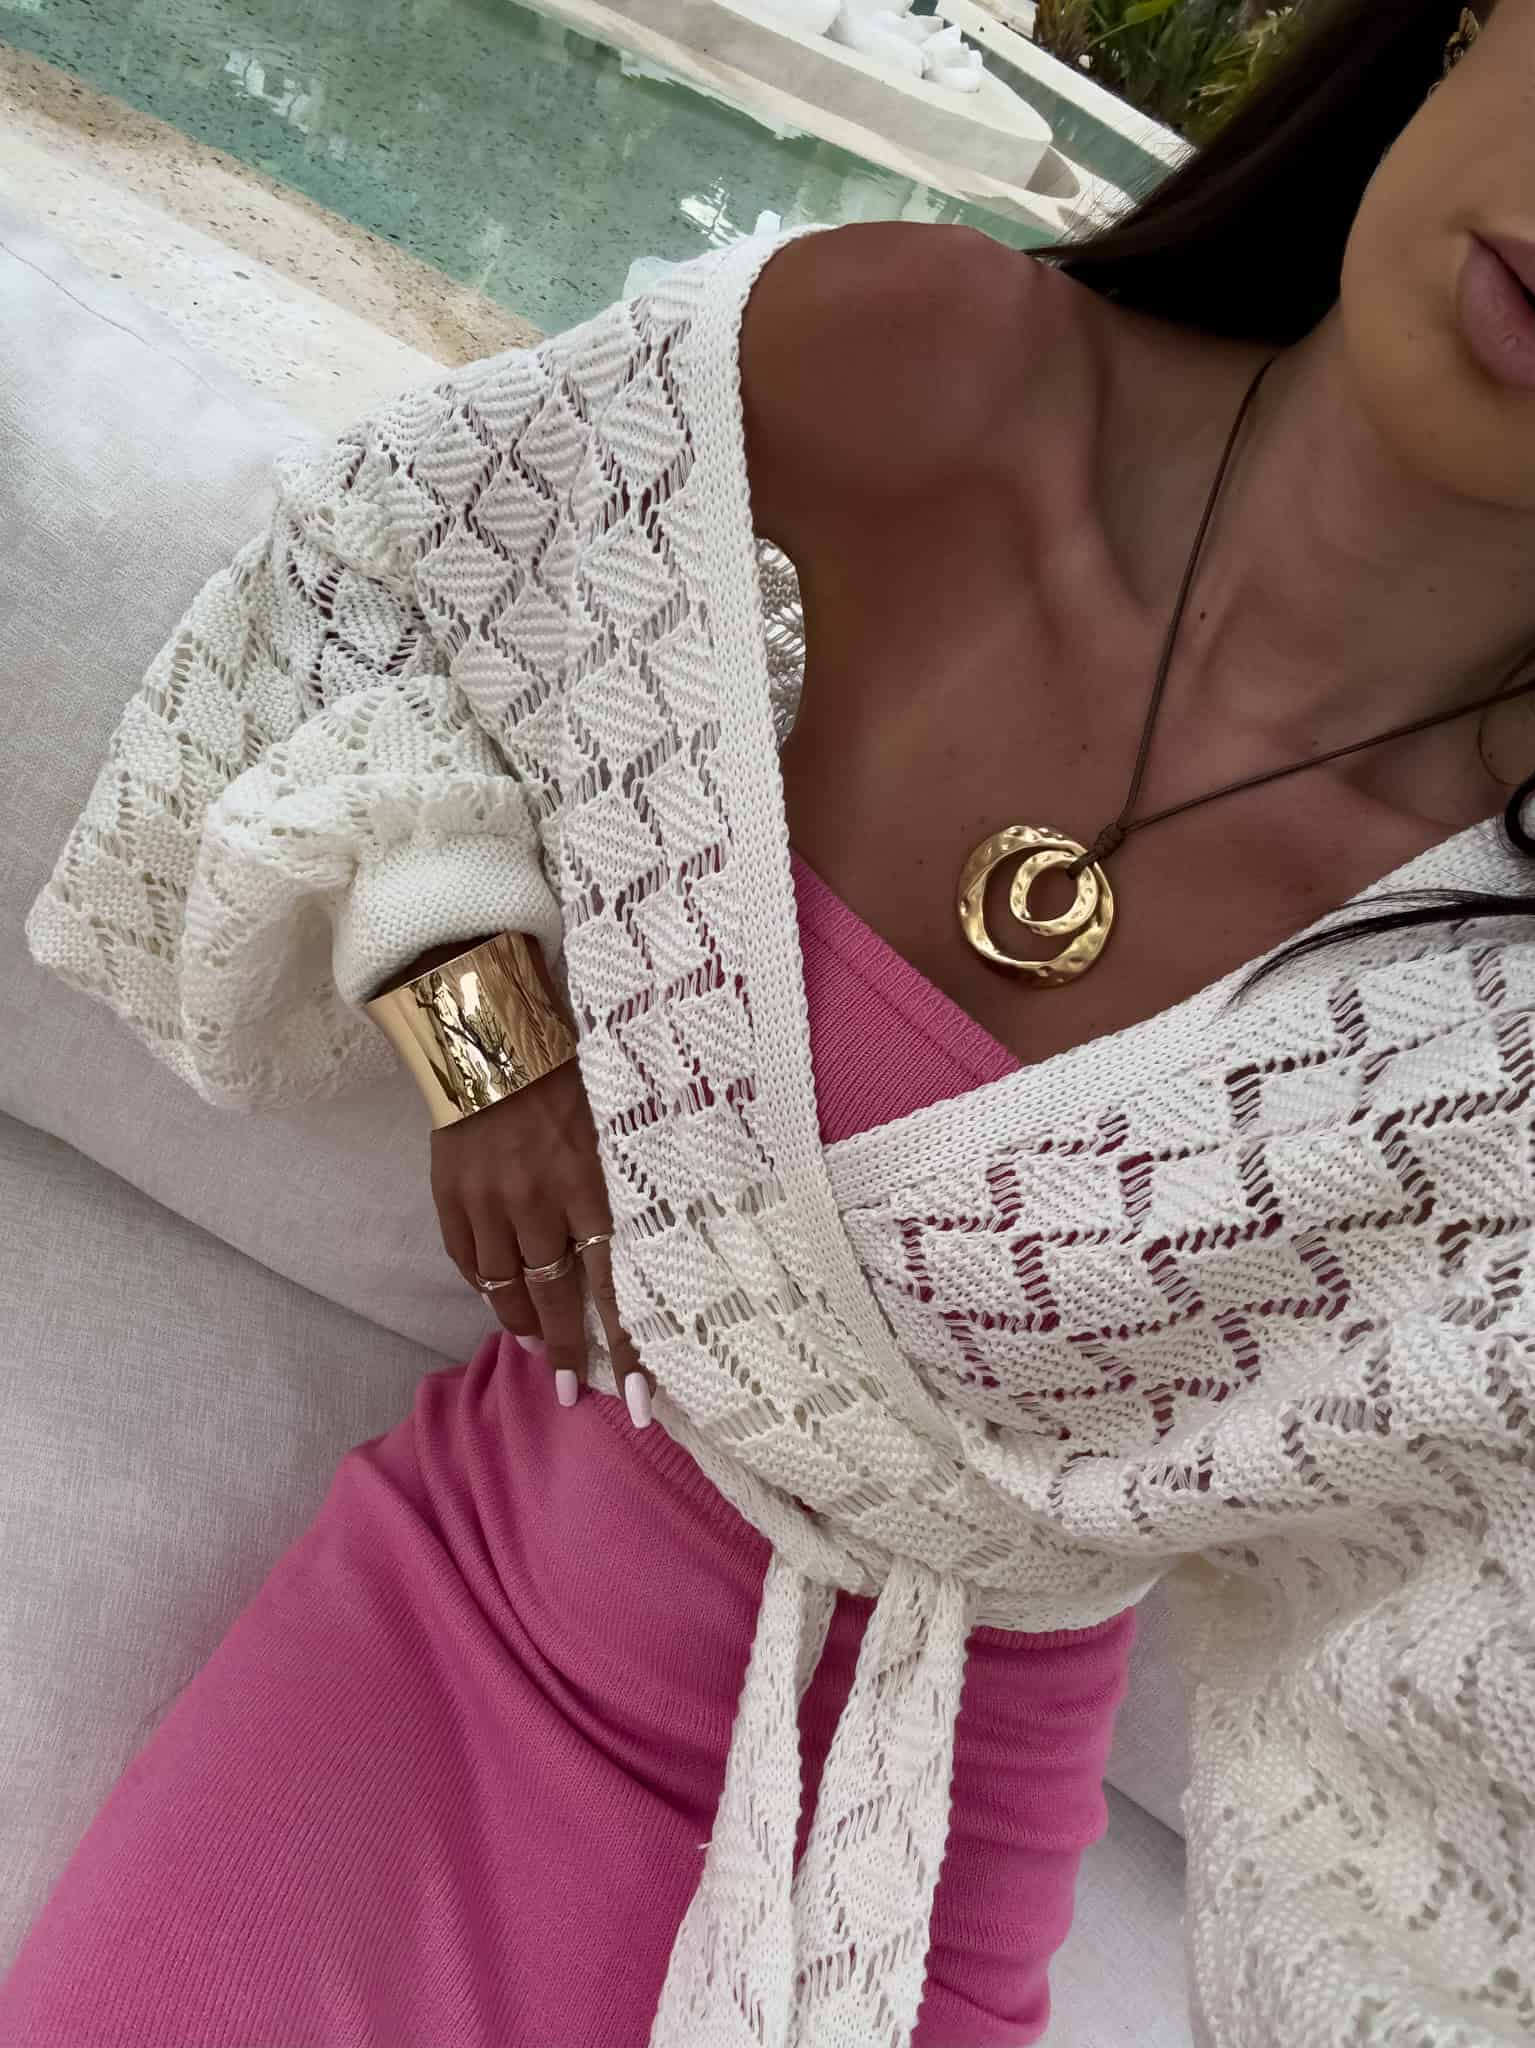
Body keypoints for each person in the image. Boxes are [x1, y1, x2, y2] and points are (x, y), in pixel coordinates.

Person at [5, 0, 1534, 2039]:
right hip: (432, 1655)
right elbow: (376, 573)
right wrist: (479, 1011)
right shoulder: (917, 366)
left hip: (886, 1895)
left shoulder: (1502, 1037)